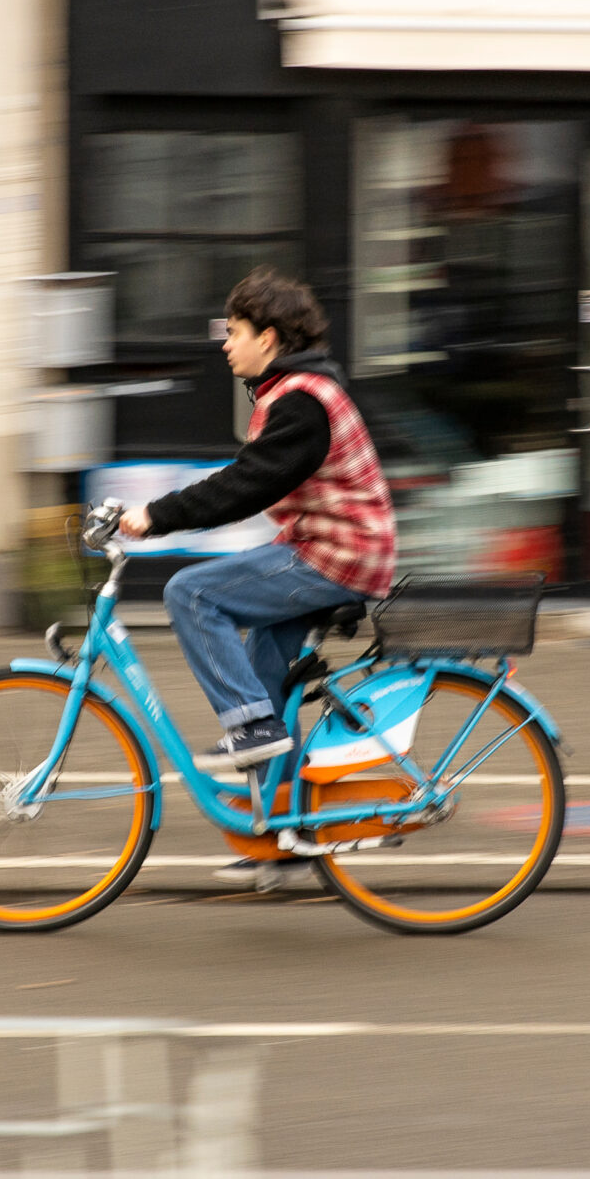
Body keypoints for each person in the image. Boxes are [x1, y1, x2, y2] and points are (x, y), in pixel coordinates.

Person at [119, 269, 396, 814]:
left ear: (267, 338)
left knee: (191, 594)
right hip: (325, 549)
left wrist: (155, 515)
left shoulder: (302, 400)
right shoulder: (293, 392)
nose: (225, 345)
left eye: (234, 332)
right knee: (263, 671)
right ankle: (283, 830)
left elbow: (246, 484)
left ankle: (248, 728)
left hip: (337, 557)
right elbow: (253, 480)